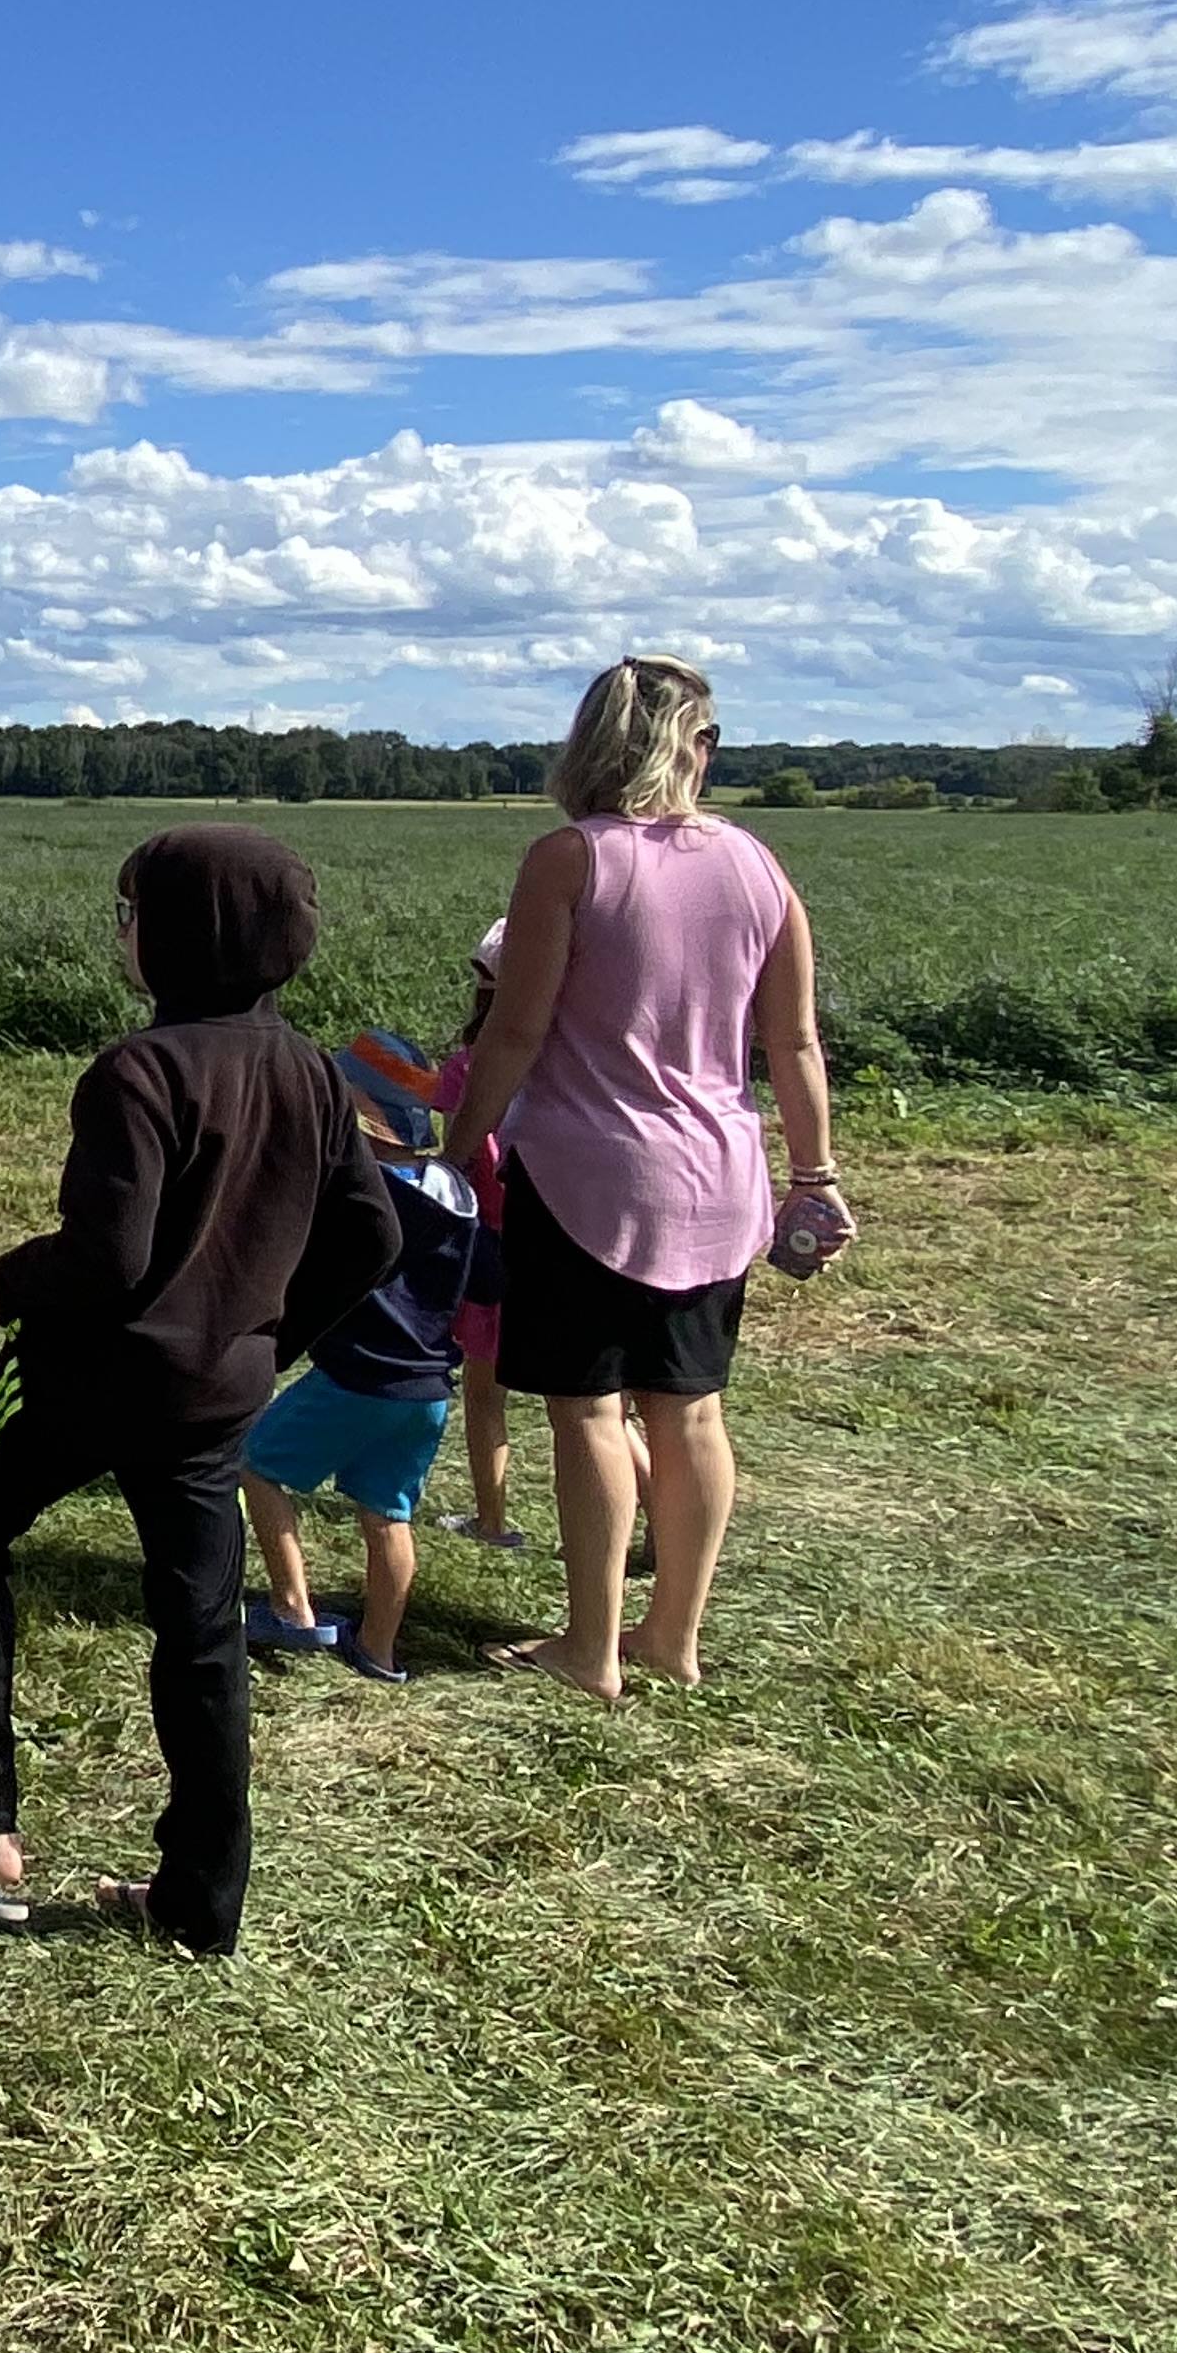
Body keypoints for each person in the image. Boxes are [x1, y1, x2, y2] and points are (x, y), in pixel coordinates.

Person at [0, 827, 401, 1957]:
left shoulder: (138, 1072)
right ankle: (201, 1899)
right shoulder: (307, 1069)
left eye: (129, 909)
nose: (120, 929)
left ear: (179, 932)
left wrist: (16, 1280)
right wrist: (264, 1334)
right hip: (215, 1399)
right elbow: (374, 1234)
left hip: (85, 1376)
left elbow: (105, 1261)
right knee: (199, 1631)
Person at [445, 655, 848, 1703]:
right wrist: (817, 1174)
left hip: (588, 1177)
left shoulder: (567, 860)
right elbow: (796, 1044)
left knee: (586, 1410)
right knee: (692, 1411)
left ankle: (592, 1647)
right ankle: (674, 1636)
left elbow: (518, 1030)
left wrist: (456, 1149)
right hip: (723, 1178)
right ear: (695, 747)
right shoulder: (760, 867)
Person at [239, 1111, 492, 1683]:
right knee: (386, 1514)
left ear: (369, 1132)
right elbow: (487, 1281)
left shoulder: (355, 1197)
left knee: (254, 1463)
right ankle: (379, 1651)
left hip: (355, 1378)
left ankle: (291, 1608)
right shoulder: (459, 1196)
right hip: (425, 1391)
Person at [427, 924, 528, 1552]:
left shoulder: (467, 1067)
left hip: (492, 1252)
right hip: (565, 1247)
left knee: (485, 1396)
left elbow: (453, 1156)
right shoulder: (574, 1063)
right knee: (599, 1404)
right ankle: (656, 1519)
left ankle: (491, 1521)